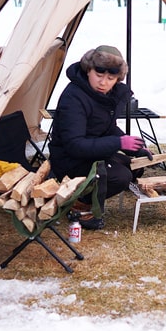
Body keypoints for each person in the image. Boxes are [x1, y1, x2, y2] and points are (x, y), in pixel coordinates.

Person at [48, 45, 149, 230]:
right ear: (88, 70)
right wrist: (118, 143)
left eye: (110, 78)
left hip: (89, 153)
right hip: (69, 159)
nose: (103, 82)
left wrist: (134, 147)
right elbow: (74, 145)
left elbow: (108, 127)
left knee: (133, 167)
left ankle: (86, 196)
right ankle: (79, 203)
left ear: (118, 79)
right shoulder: (74, 97)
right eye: (99, 75)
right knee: (120, 176)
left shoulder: (107, 95)